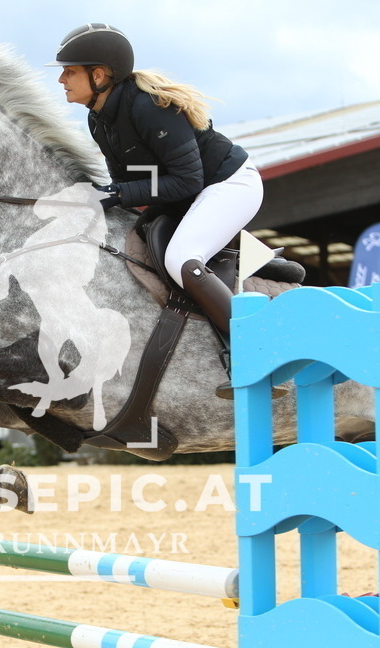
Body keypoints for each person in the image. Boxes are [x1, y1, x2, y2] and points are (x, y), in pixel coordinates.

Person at [49, 23, 264, 399]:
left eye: (69, 71)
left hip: (228, 186)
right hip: (185, 196)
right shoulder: (97, 117)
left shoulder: (148, 107)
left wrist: (114, 194)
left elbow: (188, 180)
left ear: (98, 75)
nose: (62, 80)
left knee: (182, 258)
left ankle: (257, 350)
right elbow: (129, 182)